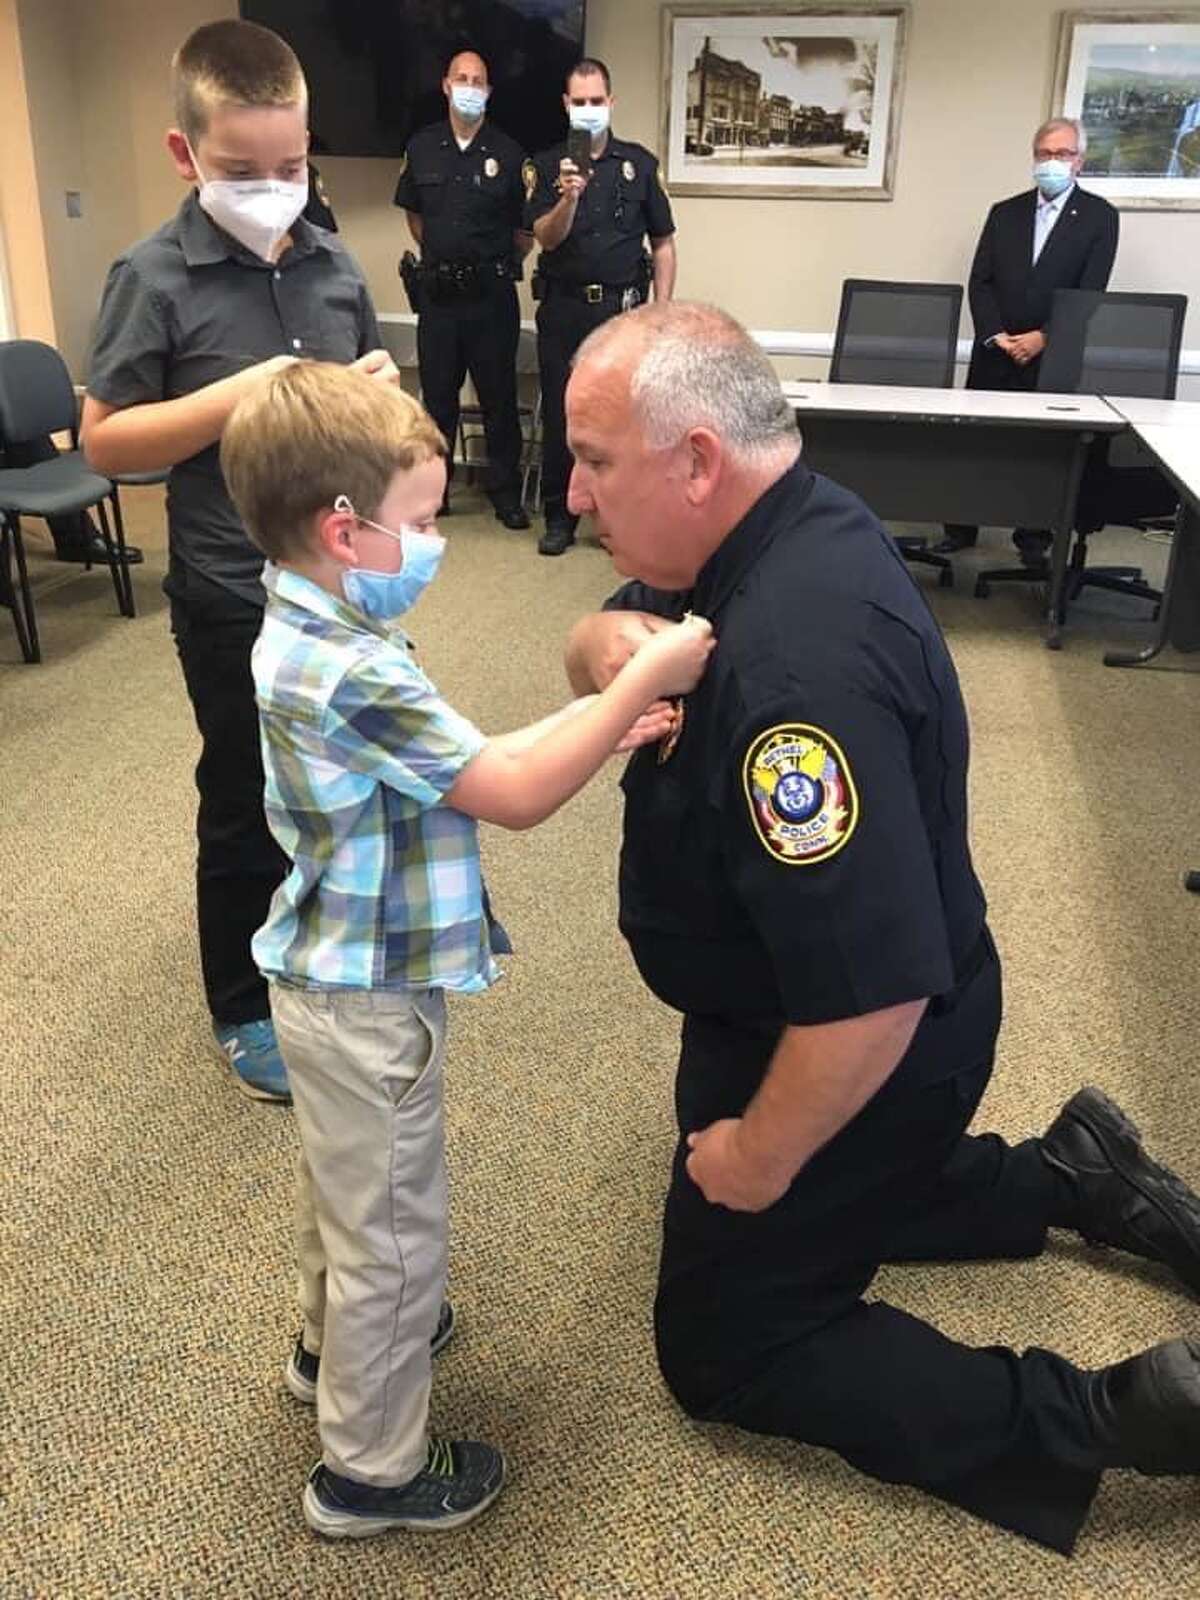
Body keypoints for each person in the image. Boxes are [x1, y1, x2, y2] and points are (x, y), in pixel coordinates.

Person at [562, 301, 1200, 1557]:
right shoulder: (772, 522)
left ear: (696, 458)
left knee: (725, 1338)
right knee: (741, 1173)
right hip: (807, 999)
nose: (576, 496)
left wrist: (761, 1152)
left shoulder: (794, 678)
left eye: (595, 462)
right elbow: (613, 616)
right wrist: (600, 643)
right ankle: (1061, 1176)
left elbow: (868, 1001)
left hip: (869, 1033)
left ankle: (1107, 1414)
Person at [218, 358, 713, 1536]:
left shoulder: (307, 618)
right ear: (347, 529)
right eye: (424, 522)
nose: (437, 543)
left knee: (349, 1194)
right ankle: (371, 1472)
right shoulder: (355, 662)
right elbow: (511, 791)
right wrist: (641, 674)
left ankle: (325, 1349)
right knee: (394, 1229)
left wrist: (600, 720)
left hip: (327, 974)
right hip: (367, 1000)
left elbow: (458, 753)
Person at [80, 20, 396, 1102]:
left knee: (337, 784)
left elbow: (358, 423)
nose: (273, 189)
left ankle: (318, 953)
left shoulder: (333, 261)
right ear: (186, 157)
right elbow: (105, 443)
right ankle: (240, 1001)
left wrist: (378, 405)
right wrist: (227, 399)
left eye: (291, 167)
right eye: (241, 171)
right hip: (228, 591)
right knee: (245, 793)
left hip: (340, 589)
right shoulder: (152, 276)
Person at [937, 117, 1119, 563]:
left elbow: (1090, 293)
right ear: (1033, 158)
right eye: (1044, 153)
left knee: (1043, 451)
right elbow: (980, 281)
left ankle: (1033, 537)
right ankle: (961, 526)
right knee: (976, 444)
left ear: (1080, 161)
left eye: (1063, 154)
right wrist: (997, 335)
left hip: (1052, 356)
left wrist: (1044, 338)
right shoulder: (1005, 212)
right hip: (997, 351)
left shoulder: (1099, 217)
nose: (1052, 162)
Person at [525, 57, 676, 556]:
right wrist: (567, 198)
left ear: (610, 102)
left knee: (622, 420)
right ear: (566, 105)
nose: (589, 110)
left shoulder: (639, 165)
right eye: (579, 102)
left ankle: (619, 518)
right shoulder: (546, 166)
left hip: (622, 312)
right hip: (564, 310)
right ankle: (559, 516)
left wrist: (661, 313)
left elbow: (664, 245)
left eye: (597, 101)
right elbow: (543, 240)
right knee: (562, 418)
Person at [394, 49, 533, 529]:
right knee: (437, 400)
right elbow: (414, 215)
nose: (470, 86)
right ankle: (437, 492)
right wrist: (445, 256)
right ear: (446, 86)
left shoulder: (511, 154)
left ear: (489, 92)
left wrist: (488, 264)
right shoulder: (422, 147)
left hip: (491, 297)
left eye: (479, 80)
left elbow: (525, 230)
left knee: (498, 399)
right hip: (439, 297)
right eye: (462, 78)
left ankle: (505, 493)